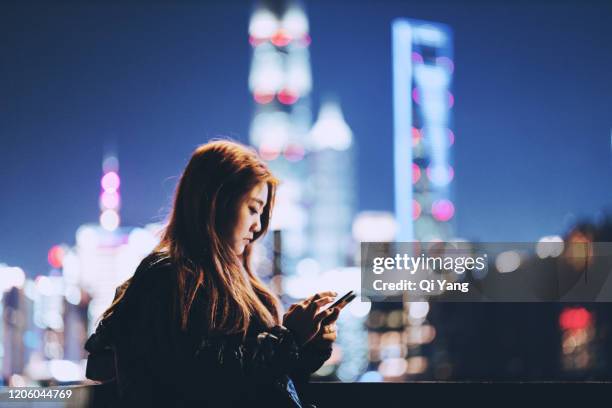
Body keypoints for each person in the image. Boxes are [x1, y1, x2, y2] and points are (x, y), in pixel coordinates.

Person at [84, 140, 341, 407]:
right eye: (253, 208)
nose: (258, 225)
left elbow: (270, 382)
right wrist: (291, 337)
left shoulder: (240, 284)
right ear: (216, 201)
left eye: (262, 212)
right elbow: (207, 380)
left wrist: (310, 344)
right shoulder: (166, 278)